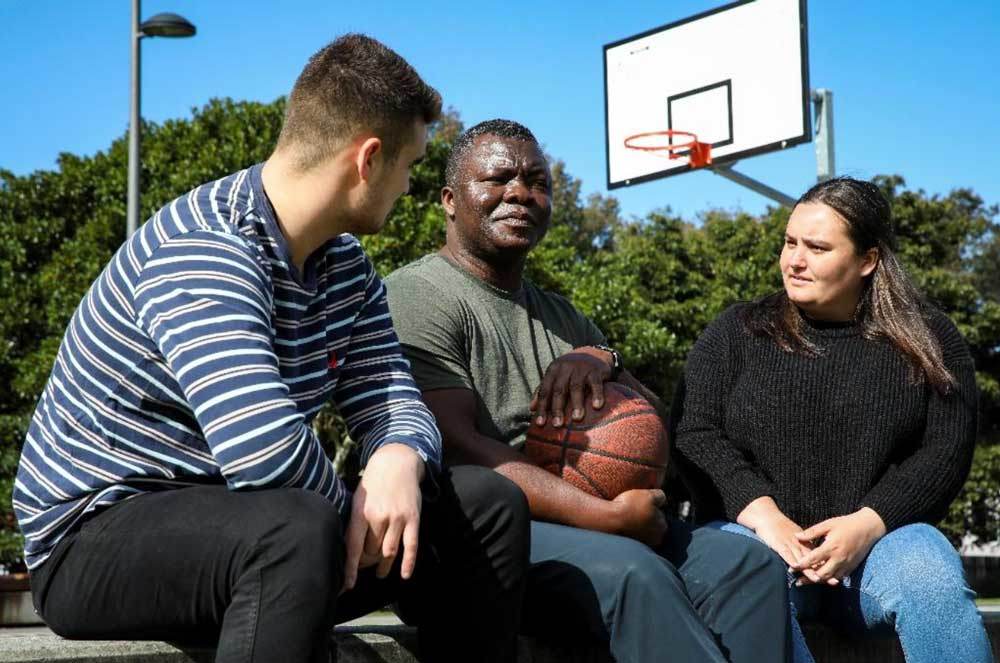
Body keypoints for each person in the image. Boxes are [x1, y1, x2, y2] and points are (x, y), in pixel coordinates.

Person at [13, 35, 530, 663]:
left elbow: (395, 397)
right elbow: (263, 454)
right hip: (95, 538)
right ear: (367, 160)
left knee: (487, 505)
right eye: (411, 165)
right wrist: (361, 518)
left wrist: (398, 457)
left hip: (250, 525)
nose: (410, 186)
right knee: (296, 529)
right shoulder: (205, 247)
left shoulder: (347, 270)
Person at [385, 119, 792, 663]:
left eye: (537, 181)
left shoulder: (562, 316)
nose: (520, 193)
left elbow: (648, 421)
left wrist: (603, 356)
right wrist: (605, 518)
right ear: (450, 200)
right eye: (499, 178)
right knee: (637, 576)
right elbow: (456, 447)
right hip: (479, 538)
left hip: (585, 521)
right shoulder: (419, 292)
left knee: (750, 566)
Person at [671, 176, 994, 663]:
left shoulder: (931, 337)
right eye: (790, 242)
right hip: (759, 539)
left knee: (931, 578)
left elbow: (945, 452)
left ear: (867, 260)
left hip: (882, 547)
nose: (794, 260)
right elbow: (694, 432)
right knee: (741, 570)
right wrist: (768, 519)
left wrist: (867, 525)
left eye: (817, 247)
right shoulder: (736, 332)